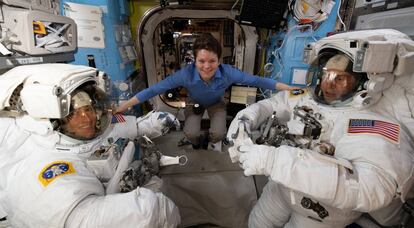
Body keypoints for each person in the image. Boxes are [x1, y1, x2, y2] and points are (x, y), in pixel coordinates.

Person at [226, 29, 414, 228]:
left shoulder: (372, 123)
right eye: (326, 75)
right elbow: (271, 105)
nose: (328, 85)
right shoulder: (307, 97)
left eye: (340, 79)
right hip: (281, 187)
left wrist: (273, 161)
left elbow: (371, 189)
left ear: (363, 83)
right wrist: (245, 119)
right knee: (257, 223)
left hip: (321, 211)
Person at [0, 64, 181, 228]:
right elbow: (84, 220)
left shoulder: (86, 132)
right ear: (50, 121)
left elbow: (119, 129)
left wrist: (154, 123)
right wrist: (158, 210)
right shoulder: (43, 166)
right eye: (74, 113)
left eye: (88, 109)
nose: (87, 118)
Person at [115, 33, 298, 150]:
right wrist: (125, 105)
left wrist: (288, 88)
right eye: (202, 61)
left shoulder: (228, 73)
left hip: (216, 104)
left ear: (219, 60)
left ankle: (211, 141)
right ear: (194, 60)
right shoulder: (185, 75)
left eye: (212, 61)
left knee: (219, 134)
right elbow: (154, 90)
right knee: (192, 134)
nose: (207, 66)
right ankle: (197, 142)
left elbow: (258, 81)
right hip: (194, 102)